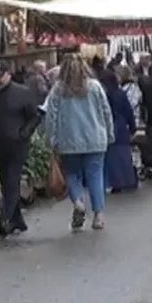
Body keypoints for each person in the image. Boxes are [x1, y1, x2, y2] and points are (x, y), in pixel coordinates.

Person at [0, 60, 41, 238]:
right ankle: (17, 220)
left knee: (12, 180)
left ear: (8, 74)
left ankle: (5, 220)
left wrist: (24, 134)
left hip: (17, 146)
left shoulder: (22, 94)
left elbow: (34, 117)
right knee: (6, 182)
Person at [44, 56, 114, 230]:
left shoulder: (58, 89)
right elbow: (106, 111)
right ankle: (98, 215)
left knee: (72, 174)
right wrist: (110, 133)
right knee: (95, 176)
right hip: (96, 139)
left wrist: (50, 138)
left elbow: (50, 117)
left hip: (68, 140)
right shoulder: (95, 86)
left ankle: (78, 202)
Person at [102, 68, 139, 193]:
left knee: (111, 157)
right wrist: (133, 128)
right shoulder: (121, 94)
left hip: (108, 127)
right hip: (122, 127)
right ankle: (129, 180)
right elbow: (128, 111)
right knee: (124, 155)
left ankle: (115, 182)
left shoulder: (104, 95)